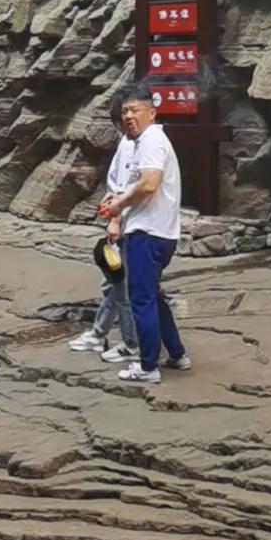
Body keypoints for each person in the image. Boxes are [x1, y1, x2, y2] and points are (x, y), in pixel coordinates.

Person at [98, 88, 187, 392]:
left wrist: (119, 206)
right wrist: (118, 201)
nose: (128, 116)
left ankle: (148, 366)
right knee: (153, 295)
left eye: (135, 110)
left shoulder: (151, 140)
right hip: (158, 232)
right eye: (125, 112)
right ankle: (176, 354)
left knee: (142, 299)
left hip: (148, 232)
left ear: (152, 112)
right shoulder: (139, 142)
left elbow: (149, 184)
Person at [70, 226, 132, 360]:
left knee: (122, 293)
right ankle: (98, 334)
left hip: (133, 233)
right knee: (112, 287)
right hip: (122, 233)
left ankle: (132, 345)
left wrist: (116, 219)